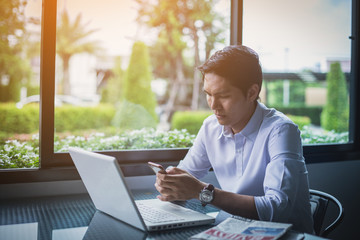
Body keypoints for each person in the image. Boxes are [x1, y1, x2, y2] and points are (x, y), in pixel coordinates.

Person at [155, 45, 314, 234]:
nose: (214, 106)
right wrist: (171, 185)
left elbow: (276, 210)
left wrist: (203, 192)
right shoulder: (210, 127)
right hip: (231, 230)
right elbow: (186, 175)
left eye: (223, 96)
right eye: (208, 95)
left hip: (283, 236)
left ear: (252, 93)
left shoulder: (281, 131)